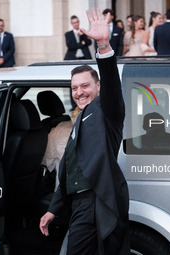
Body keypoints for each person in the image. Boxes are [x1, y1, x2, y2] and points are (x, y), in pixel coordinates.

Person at [39, 8, 130, 255]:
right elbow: (69, 169)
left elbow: (112, 83)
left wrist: (103, 45)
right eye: (74, 88)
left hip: (97, 201)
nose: (79, 92)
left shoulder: (107, 109)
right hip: (79, 203)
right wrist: (53, 209)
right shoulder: (79, 118)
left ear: (98, 86)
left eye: (85, 86)